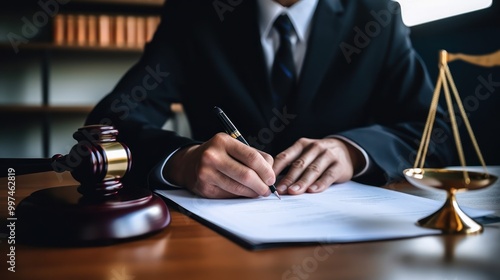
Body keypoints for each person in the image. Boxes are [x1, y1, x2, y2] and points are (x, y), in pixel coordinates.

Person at [86, 0, 454, 198]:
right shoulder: (195, 14)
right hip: (213, 246)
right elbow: (105, 128)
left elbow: (434, 132)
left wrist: (353, 151)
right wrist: (181, 161)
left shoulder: (378, 16)